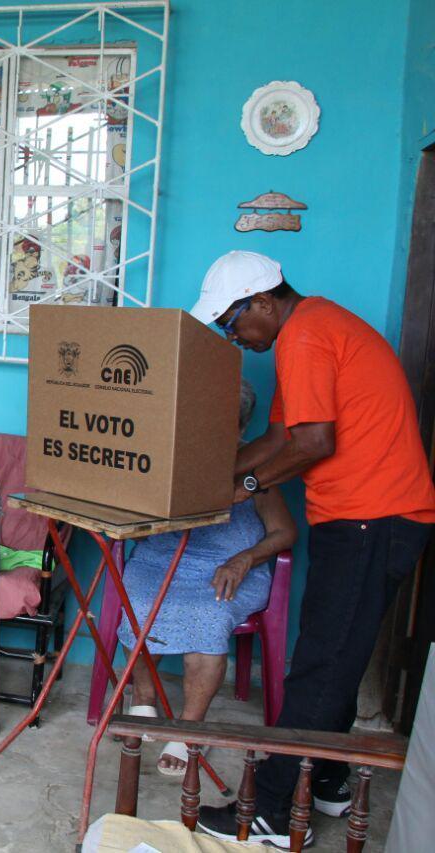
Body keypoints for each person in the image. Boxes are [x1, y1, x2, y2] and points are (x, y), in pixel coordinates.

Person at [187, 251, 435, 849]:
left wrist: (244, 488)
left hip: (373, 518)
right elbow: (277, 439)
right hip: (364, 517)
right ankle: (326, 779)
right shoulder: (311, 329)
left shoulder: (305, 336)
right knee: (340, 655)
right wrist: (204, 474)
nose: (232, 337)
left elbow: (315, 442)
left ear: (264, 302)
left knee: (321, 663)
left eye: (231, 322)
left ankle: (269, 810)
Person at [119, 380, 297, 776]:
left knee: (209, 614)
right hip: (161, 560)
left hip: (228, 568)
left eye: (223, 423)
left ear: (239, 429)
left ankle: (188, 728)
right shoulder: (168, 458)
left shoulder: (253, 468)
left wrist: (244, 559)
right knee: (138, 600)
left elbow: (285, 532)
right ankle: (144, 694)